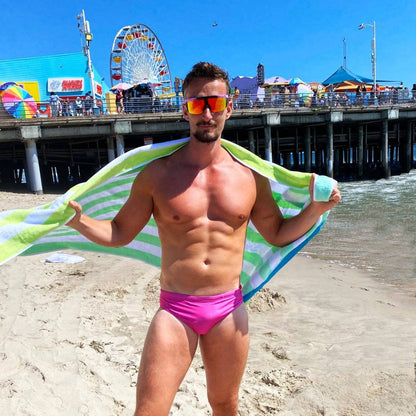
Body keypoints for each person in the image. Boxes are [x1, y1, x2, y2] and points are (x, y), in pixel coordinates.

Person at [66, 62, 341, 415]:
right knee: (149, 410)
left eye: (215, 103)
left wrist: (315, 210)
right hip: (175, 310)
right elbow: (120, 231)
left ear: (230, 106)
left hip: (228, 308)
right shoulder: (157, 175)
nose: (206, 113)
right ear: (185, 109)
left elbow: (276, 233)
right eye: (197, 104)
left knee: (225, 404)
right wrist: (81, 222)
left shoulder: (250, 178)